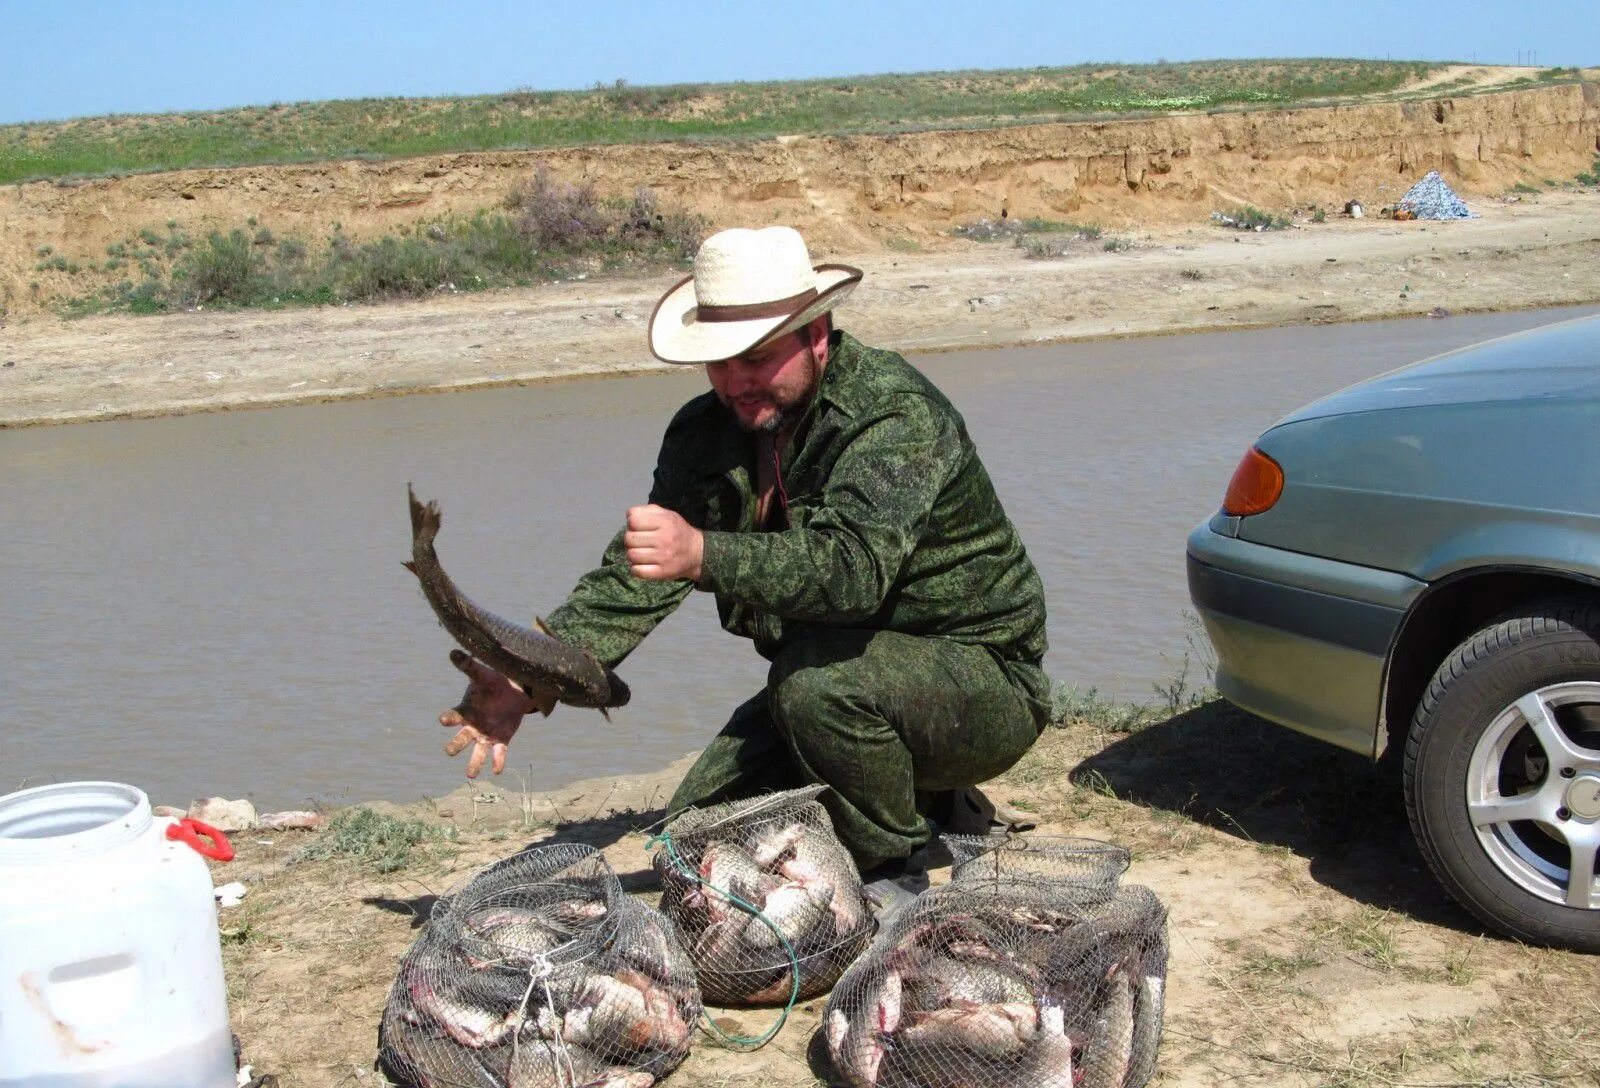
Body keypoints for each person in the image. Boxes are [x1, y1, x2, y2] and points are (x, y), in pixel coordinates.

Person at [436, 225, 1052, 892]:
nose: (736, 382)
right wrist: (532, 677)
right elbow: (636, 576)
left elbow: (851, 574)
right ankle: (928, 802)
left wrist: (702, 553)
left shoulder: (892, 416)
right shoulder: (703, 435)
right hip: (833, 682)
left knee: (815, 689)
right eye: (719, 362)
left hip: (983, 683)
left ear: (816, 336)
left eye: (755, 358)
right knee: (692, 838)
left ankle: (891, 867)